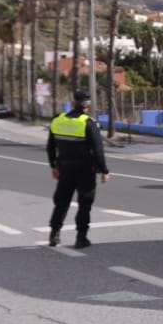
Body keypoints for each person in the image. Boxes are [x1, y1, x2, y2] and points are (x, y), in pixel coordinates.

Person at [46, 87, 109, 248]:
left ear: (73, 102)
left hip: (64, 168)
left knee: (61, 202)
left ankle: (54, 234)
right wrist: (104, 171)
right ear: (88, 104)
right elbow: (98, 150)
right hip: (85, 170)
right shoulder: (88, 123)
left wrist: (53, 165)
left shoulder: (58, 119)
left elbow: (50, 146)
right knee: (85, 203)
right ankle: (81, 237)